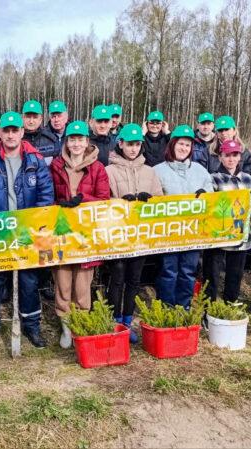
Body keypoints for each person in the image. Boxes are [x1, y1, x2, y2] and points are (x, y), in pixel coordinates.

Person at [0, 111, 54, 353]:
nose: (10, 135)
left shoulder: (35, 159)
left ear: (21, 132)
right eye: (6, 131)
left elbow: (46, 194)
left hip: (27, 231)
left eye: (14, 130)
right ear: (0, 133)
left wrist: (32, 223)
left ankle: (32, 325)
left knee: (29, 280)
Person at [48, 120, 110, 348]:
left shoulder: (98, 168)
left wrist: (83, 200)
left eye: (80, 139)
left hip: (86, 234)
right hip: (62, 233)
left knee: (83, 284)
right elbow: (48, 196)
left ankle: (80, 323)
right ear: (67, 142)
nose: (76, 144)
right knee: (63, 281)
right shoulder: (55, 166)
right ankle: (65, 325)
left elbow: (104, 199)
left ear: (87, 142)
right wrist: (58, 205)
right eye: (72, 139)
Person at [105, 123, 164, 343]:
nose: (133, 149)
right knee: (117, 278)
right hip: (118, 235)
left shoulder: (149, 171)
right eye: (129, 144)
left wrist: (151, 200)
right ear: (120, 144)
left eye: (137, 144)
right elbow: (103, 201)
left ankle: (128, 321)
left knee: (134, 280)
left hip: (141, 236)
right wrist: (119, 202)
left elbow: (160, 200)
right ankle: (114, 321)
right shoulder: (109, 171)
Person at [153, 125, 214, 308]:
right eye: (181, 144)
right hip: (168, 233)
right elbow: (153, 201)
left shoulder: (200, 171)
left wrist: (206, 195)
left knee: (188, 271)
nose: (184, 148)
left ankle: (184, 307)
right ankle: (166, 308)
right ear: (172, 144)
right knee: (168, 271)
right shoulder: (158, 170)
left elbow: (211, 199)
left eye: (188, 145)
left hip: (192, 232)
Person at [202, 140, 251, 302]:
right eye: (227, 155)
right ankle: (209, 308)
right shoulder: (213, 178)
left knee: (235, 275)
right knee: (211, 275)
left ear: (239, 157)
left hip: (241, 235)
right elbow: (208, 207)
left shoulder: (247, 179)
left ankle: (230, 305)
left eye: (234, 155)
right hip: (218, 236)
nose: (231, 159)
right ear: (220, 157)